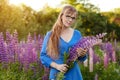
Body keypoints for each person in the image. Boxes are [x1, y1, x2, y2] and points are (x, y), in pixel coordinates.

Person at [40, 4, 88, 80]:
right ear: (61, 16)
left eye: (73, 18)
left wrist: (83, 54)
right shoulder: (51, 35)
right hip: (57, 74)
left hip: (74, 74)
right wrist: (57, 66)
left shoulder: (77, 34)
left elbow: (82, 58)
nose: (70, 20)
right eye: (67, 16)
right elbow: (43, 56)